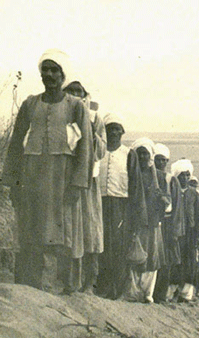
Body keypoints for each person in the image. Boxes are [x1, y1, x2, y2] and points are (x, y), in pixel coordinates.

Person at [2, 49, 93, 293]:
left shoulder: (75, 107)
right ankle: (27, 286)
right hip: (32, 176)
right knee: (30, 228)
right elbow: (16, 142)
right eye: (46, 69)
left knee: (62, 230)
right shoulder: (30, 104)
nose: (49, 74)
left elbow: (85, 148)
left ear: (63, 75)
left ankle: (63, 287)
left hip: (61, 179)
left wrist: (78, 183)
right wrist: (11, 179)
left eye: (55, 70)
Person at [63, 78, 106, 293]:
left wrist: (88, 129)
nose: (75, 96)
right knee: (70, 230)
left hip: (88, 183)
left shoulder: (94, 119)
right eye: (70, 91)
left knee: (90, 230)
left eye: (78, 92)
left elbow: (100, 151)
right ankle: (70, 281)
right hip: (64, 180)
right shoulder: (61, 114)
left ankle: (89, 282)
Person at [97, 112, 147, 299]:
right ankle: (101, 286)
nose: (114, 133)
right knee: (101, 244)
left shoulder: (129, 154)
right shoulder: (99, 151)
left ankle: (117, 290)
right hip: (100, 202)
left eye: (118, 129)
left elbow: (136, 186)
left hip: (121, 206)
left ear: (123, 132)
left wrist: (136, 214)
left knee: (118, 247)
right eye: (111, 129)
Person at [123, 138, 169, 303]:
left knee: (151, 258)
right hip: (135, 221)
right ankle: (132, 291)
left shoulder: (160, 177)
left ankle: (147, 293)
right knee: (134, 255)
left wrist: (163, 199)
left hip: (152, 222)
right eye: (139, 154)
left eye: (146, 154)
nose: (143, 157)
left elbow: (167, 199)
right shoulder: (130, 174)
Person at [152, 143, 184, 303]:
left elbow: (178, 208)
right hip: (151, 223)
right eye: (158, 160)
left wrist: (175, 231)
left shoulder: (172, 180)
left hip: (167, 225)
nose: (161, 163)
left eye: (164, 160)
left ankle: (160, 295)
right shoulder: (148, 176)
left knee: (166, 260)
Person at [171, 159, 199, 301]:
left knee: (189, 262)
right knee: (175, 261)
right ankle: (170, 292)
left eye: (187, 175)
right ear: (176, 176)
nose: (184, 178)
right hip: (175, 232)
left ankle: (186, 294)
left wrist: (197, 236)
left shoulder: (193, 194)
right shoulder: (172, 190)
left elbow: (198, 216)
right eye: (181, 175)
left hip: (189, 233)